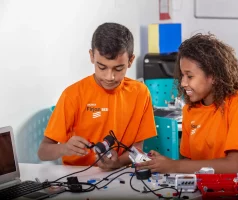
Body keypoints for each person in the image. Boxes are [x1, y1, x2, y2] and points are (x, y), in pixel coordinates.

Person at [38, 22, 157, 171]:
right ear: (92, 56)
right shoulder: (73, 95)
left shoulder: (140, 93)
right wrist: (64, 148)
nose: (110, 77)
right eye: (102, 67)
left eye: (118, 68)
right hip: (78, 175)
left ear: (131, 61)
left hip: (119, 174)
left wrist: (118, 162)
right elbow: (43, 151)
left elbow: (137, 148)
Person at [136, 33, 238, 174]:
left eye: (190, 76)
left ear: (212, 76)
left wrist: (174, 166)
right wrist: (162, 163)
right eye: (182, 75)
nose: (183, 83)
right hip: (205, 185)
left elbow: (234, 166)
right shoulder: (189, 109)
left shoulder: (236, 101)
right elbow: (189, 162)